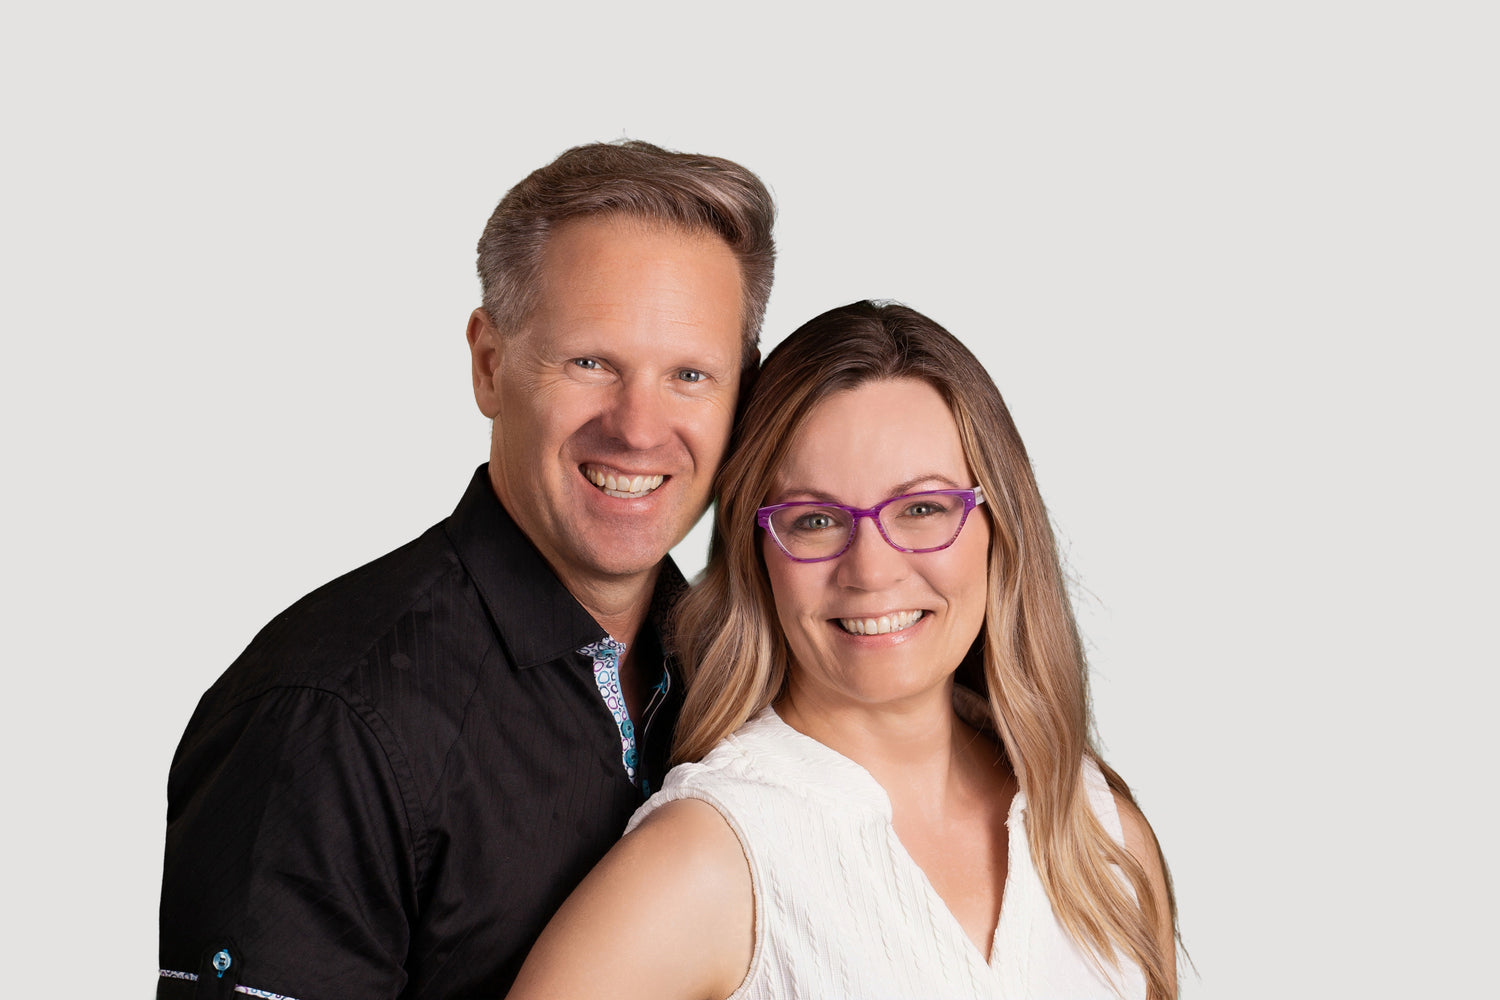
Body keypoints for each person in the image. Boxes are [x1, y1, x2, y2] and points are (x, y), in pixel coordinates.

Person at [156, 140, 776, 999]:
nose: (639, 428)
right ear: (490, 363)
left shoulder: (747, 674)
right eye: (591, 362)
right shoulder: (325, 718)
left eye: (690, 375)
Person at [508, 300, 1179, 1000]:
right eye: (816, 520)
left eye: (922, 508)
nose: (872, 571)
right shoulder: (711, 857)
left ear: (998, 525)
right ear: (756, 551)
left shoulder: (1102, 836)